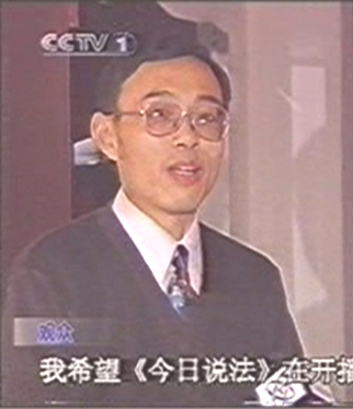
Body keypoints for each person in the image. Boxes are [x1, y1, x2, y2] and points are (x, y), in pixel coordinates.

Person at [1, 34, 304, 406]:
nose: (187, 138)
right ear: (108, 137)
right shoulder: (53, 274)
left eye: (207, 118)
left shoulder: (254, 277)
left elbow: (289, 396)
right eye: (160, 115)